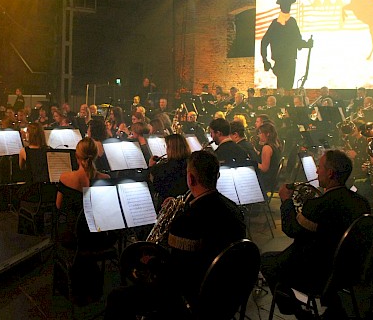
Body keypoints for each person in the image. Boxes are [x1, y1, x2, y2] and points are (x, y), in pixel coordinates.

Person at [105, 151, 246, 319]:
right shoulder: (234, 209)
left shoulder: (187, 220)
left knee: (117, 297)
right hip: (227, 293)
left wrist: (151, 262)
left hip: (192, 298)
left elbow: (175, 273)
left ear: (191, 179)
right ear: (217, 175)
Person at [260, 150, 370, 318]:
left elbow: (291, 229)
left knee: (266, 261)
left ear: (331, 173)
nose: (317, 171)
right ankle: (334, 307)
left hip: (319, 272)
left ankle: (298, 312)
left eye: (319, 167)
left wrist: (286, 201)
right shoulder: (361, 203)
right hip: (349, 269)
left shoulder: (318, 205)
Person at [55, 137, 113, 303]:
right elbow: (106, 211)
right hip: (98, 237)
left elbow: (59, 206)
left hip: (74, 237)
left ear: (77, 157)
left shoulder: (65, 178)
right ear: (95, 156)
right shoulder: (105, 179)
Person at [261, 0, 313, 91]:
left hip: (290, 60)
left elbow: (298, 41)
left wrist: (307, 44)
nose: (287, 7)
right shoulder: (275, 24)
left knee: (288, 87)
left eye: (288, 4)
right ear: (281, 6)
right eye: (285, 4)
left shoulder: (292, 22)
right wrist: (265, 60)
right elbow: (264, 42)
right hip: (280, 60)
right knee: (282, 88)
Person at [148, 134, 190, 210]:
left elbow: (155, 187)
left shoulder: (163, 168)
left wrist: (151, 167)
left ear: (171, 149)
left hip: (168, 207)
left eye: (166, 147)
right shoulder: (191, 164)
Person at [256, 122, 283, 193]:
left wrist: (253, 163)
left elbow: (264, 168)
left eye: (260, 133)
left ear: (267, 134)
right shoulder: (275, 144)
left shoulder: (267, 148)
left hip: (266, 180)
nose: (259, 135)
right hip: (273, 178)